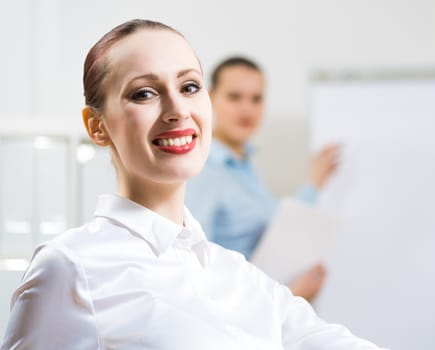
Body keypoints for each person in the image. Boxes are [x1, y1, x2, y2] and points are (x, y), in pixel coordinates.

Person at [1, 19, 387, 349]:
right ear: (96, 126)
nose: (178, 109)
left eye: (189, 87)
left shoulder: (237, 276)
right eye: (144, 93)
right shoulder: (71, 267)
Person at [186, 56, 340, 301]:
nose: (247, 109)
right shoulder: (199, 171)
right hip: (241, 321)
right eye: (235, 97)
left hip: (265, 315)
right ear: (211, 98)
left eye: (256, 99)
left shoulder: (244, 165)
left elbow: (273, 232)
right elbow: (195, 275)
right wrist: (290, 296)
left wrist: (314, 184)